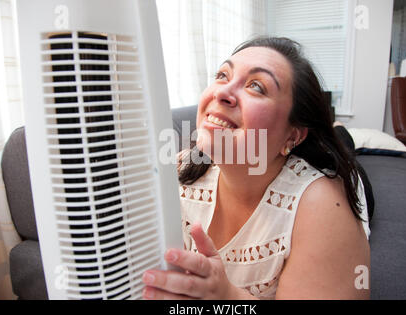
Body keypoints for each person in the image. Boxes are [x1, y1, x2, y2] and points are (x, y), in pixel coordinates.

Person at [142, 37, 371, 300]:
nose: (221, 93)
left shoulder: (325, 206)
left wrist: (228, 297)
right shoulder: (182, 169)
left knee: (342, 147)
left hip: (330, 171)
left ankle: (339, 129)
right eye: (222, 75)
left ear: (292, 136)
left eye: (256, 87)